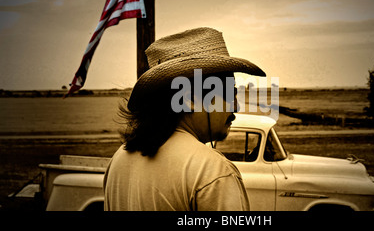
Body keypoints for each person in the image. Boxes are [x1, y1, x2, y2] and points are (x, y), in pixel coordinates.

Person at [103, 27, 266, 211]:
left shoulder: (118, 161)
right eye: (230, 93)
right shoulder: (212, 171)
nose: (236, 106)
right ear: (190, 99)